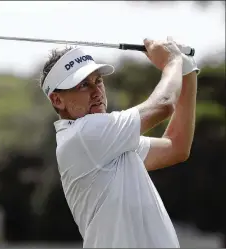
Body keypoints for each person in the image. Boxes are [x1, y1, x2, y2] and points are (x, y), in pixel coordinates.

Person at [39, 37, 199, 248]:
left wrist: (187, 72)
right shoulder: (82, 136)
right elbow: (163, 105)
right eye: (83, 85)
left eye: (98, 81)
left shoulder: (107, 141)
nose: (96, 92)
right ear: (57, 100)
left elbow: (176, 147)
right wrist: (172, 62)